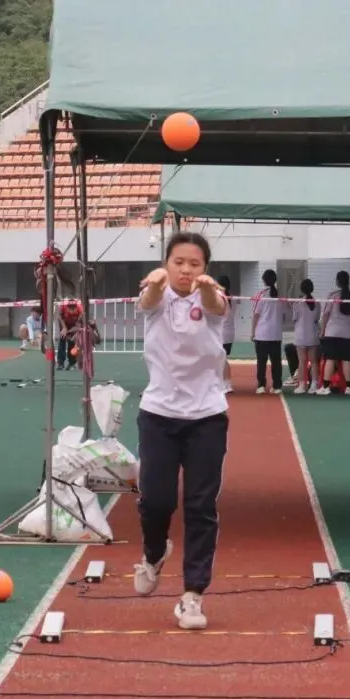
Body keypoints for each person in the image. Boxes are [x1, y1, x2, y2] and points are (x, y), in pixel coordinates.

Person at [132, 231, 228, 631]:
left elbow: (215, 306)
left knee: (200, 507)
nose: (187, 270)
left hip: (206, 415)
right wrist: (156, 284)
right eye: (179, 262)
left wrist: (207, 289)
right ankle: (154, 554)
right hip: (158, 413)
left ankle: (193, 594)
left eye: (195, 264)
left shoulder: (213, 297)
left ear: (205, 268)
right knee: (155, 500)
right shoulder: (156, 294)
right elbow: (147, 303)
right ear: (167, 263)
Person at [251, 269, 284, 394]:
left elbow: (255, 315)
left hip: (262, 334)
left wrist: (252, 332)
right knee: (276, 362)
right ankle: (277, 386)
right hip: (276, 334)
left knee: (261, 362)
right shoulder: (281, 295)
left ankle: (261, 386)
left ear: (264, 280)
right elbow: (285, 314)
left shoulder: (261, 294)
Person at [291, 278, 322, 394]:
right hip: (313, 335)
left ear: (302, 289)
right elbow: (317, 319)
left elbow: (294, 319)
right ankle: (314, 385)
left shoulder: (298, 303)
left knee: (302, 361)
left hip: (300, 335)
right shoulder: (317, 303)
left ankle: (302, 385)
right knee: (314, 362)